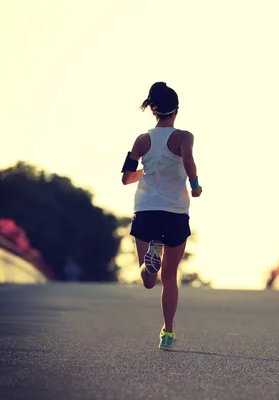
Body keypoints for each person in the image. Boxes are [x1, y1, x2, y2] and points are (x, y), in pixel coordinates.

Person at [121, 81, 202, 350]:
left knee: (148, 281)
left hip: (145, 210)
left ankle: (148, 262)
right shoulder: (184, 137)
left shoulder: (141, 140)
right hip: (175, 212)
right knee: (170, 277)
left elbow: (125, 178)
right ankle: (167, 332)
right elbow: (188, 160)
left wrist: (147, 171)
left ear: (153, 111)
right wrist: (195, 184)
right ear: (176, 111)